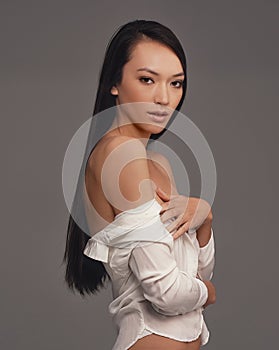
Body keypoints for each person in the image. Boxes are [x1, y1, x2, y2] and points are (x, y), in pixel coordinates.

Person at [63, 19, 216, 350]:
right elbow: (166, 293)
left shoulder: (156, 162)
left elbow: (195, 268)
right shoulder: (121, 155)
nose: (164, 98)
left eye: (176, 84)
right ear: (115, 82)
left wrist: (205, 218)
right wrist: (208, 293)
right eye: (147, 80)